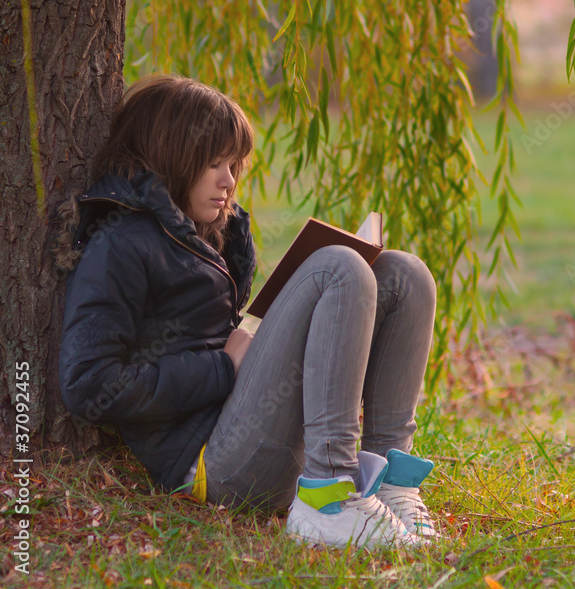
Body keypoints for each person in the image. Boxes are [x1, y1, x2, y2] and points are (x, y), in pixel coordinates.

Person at [59, 75, 438, 548]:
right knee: (336, 267)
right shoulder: (121, 243)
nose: (229, 180)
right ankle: (329, 499)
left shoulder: (211, 230)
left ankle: (391, 483)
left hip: (258, 431)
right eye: (212, 163)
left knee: (405, 274)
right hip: (213, 464)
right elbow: (88, 385)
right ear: (170, 157)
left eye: (233, 164)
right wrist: (222, 365)